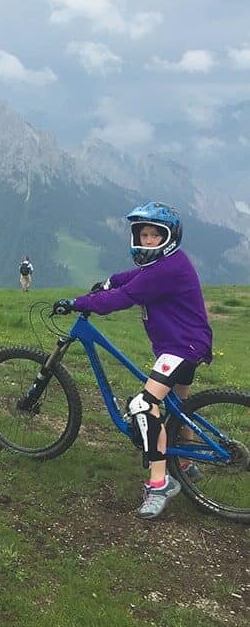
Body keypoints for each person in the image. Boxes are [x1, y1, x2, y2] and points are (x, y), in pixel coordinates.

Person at [53, 202, 212, 520]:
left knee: (143, 404)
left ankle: (159, 483)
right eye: (143, 234)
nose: (148, 240)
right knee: (179, 406)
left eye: (155, 235)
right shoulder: (165, 265)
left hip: (181, 347)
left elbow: (123, 298)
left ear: (169, 238)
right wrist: (109, 281)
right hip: (188, 342)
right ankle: (184, 463)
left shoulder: (167, 269)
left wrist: (79, 302)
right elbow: (129, 279)